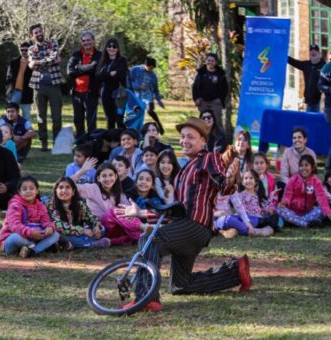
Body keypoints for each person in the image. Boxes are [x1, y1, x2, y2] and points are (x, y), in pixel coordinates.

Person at [124, 117, 247, 313]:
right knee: (180, 285)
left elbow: (223, 185)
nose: (184, 140)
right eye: (182, 137)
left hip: (195, 225)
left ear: (203, 141)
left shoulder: (208, 158)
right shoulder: (184, 171)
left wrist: (231, 177)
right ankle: (236, 271)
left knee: (151, 240)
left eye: (190, 136)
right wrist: (142, 213)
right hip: (188, 227)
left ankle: (146, 298)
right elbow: (177, 210)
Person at [71, 162, 145, 246]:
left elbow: (129, 211)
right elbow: (69, 185)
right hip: (99, 227)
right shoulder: (93, 188)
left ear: (116, 176)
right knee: (114, 211)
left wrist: (133, 211)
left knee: (126, 214)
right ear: (98, 178)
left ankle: (111, 241)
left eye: (110, 175)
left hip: (115, 229)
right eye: (104, 176)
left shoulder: (118, 194)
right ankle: (143, 227)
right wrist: (82, 171)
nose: (108, 179)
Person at [0, 176, 59, 258]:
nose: (28, 191)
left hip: (33, 237)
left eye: (31, 188)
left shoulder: (40, 205)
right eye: (24, 189)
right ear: (19, 192)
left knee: (56, 235)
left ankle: (32, 251)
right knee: (15, 237)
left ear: (37, 191)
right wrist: (30, 233)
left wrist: (49, 227)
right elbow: (14, 225)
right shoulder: (15, 205)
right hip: (15, 239)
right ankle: (37, 247)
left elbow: (45, 220)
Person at [48, 177, 110, 250]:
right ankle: (91, 244)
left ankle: (74, 245)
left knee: (102, 229)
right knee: (60, 237)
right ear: (56, 191)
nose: (64, 190)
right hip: (63, 234)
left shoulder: (79, 204)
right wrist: (82, 231)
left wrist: (95, 226)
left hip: (77, 234)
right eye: (61, 187)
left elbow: (90, 216)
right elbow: (58, 226)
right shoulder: (51, 205)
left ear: (73, 191)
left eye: (68, 187)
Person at [28, 24, 63, 152]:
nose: (38, 33)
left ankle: (57, 142)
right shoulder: (31, 48)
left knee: (56, 116)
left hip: (54, 84)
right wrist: (48, 60)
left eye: (39, 31)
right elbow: (31, 65)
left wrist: (40, 61)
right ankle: (44, 143)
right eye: (35, 32)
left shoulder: (52, 43)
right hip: (38, 85)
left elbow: (57, 58)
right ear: (32, 36)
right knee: (40, 115)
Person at [215, 170, 277, 238]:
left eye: (251, 178)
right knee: (232, 220)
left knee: (270, 226)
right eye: (246, 178)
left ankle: (254, 230)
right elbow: (237, 209)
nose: (248, 180)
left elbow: (266, 209)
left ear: (256, 181)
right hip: (243, 219)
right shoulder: (240, 195)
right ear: (242, 182)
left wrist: (271, 200)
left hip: (255, 219)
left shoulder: (259, 196)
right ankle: (253, 231)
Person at [277, 154, 330, 228]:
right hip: (293, 212)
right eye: (301, 165)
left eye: (306, 165)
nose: (303, 168)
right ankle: (306, 224)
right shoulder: (293, 179)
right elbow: (287, 195)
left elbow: (321, 197)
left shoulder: (316, 182)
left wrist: (327, 211)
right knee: (279, 209)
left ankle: (295, 222)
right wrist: (284, 202)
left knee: (321, 210)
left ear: (312, 167)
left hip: (308, 213)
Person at [67, 31, 101, 138]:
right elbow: (69, 71)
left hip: (91, 93)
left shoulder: (98, 55)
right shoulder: (76, 54)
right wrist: (86, 68)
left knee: (91, 120)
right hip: (77, 92)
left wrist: (79, 67)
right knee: (78, 120)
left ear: (93, 41)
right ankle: (81, 142)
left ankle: (91, 142)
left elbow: (94, 68)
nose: (86, 42)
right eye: (84, 40)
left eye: (88, 40)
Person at [95, 38, 128, 129]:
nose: (111, 48)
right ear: (106, 48)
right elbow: (98, 76)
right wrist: (110, 74)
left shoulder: (122, 60)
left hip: (118, 93)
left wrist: (107, 75)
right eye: (109, 46)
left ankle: (122, 140)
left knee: (119, 118)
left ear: (117, 49)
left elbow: (121, 75)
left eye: (114, 46)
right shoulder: (103, 60)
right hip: (106, 92)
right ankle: (112, 140)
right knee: (110, 119)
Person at [127, 57, 165, 134]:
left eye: (152, 68)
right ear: (145, 65)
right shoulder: (135, 70)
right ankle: (134, 130)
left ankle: (159, 125)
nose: (151, 70)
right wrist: (138, 86)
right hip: (136, 96)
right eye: (150, 68)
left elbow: (155, 90)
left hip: (148, 96)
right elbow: (128, 82)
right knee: (137, 114)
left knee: (150, 111)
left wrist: (159, 100)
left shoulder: (153, 76)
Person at [192, 53, 229, 127]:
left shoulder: (220, 74)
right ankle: (205, 138)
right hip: (203, 102)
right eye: (208, 60)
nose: (210, 62)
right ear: (206, 61)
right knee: (203, 123)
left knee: (217, 123)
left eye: (212, 61)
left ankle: (219, 138)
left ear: (215, 62)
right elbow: (195, 87)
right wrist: (196, 99)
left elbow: (225, 89)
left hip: (215, 102)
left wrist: (220, 100)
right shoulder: (201, 73)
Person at [288, 44, 326, 112]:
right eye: (311, 51)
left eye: (315, 51)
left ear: (319, 54)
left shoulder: (324, 66)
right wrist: (284, 55)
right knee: (309, 122)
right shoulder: (306, 65)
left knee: (318, 122)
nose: (313, 52)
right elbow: (294, 62)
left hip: (320, 103)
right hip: (309, 103)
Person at [5, 42, 34, 120]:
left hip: (27, 91)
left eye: (26, 50)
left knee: (26, 114)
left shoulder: (33, 63)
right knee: (11, 113)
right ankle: (9, 130)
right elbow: (8, 77)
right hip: (15, 91)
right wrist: (8, 88)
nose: (24, 52)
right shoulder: (14, 62)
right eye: (22, 50)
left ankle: (27, 131)